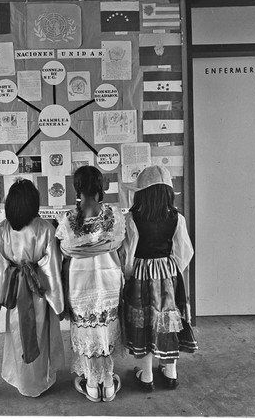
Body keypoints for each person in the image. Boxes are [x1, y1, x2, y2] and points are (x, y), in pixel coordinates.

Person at [122, 165, 198, 391]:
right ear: (167, 193)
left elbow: (127, 252)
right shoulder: (177, 218)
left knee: (144, 320)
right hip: (167, 275)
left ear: (141, 193)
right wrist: (170, 269)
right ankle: (171, 372)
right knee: (167, 320)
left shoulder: (132, 218)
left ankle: (146, 376)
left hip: (141, 275)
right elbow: (185, 252)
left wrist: (130, 275)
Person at [55, 166, 126, 403]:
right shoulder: (113, 216)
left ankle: (92, 384)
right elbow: (118, 247)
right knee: (104, 328)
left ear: (77, 188)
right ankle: (107, 382)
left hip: (79, 283)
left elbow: (65, 251)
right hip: (108, 282)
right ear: (100, 187)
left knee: (87, 330)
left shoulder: (68, 219)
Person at [0, 179, 65, 397]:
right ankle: (39, 381)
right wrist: (58, 303)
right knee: (40, 331)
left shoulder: (2, 229)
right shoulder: (45, 229)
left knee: (17, 333)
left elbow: (1, 267)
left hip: (15, 290)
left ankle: (21, 379)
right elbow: (52, 268)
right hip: (39, 291)